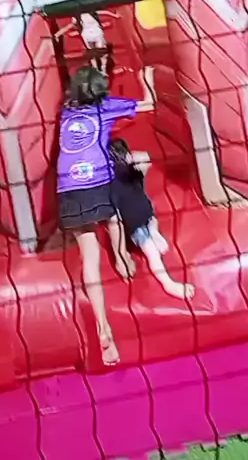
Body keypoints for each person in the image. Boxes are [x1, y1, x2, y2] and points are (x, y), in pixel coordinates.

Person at [57, 64, 155, 367]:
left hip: (67, 188)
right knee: (113, 215)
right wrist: (146, 79)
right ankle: (122, 255)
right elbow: (150, 104)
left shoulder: (66, 110)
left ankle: (103, 327)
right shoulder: (106, 106)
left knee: (90, 260)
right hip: (96, 183)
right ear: (100, 92)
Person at [109, 139, 195, 300]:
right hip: (135, 226)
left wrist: (134, 158)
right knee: (152, 252)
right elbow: (115, 220)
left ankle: (154, 232)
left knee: (153, 222)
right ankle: (169, 284)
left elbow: (146, 160)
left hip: (148, 215)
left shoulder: (132, 171)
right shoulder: (112, 183)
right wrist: (121, 253)